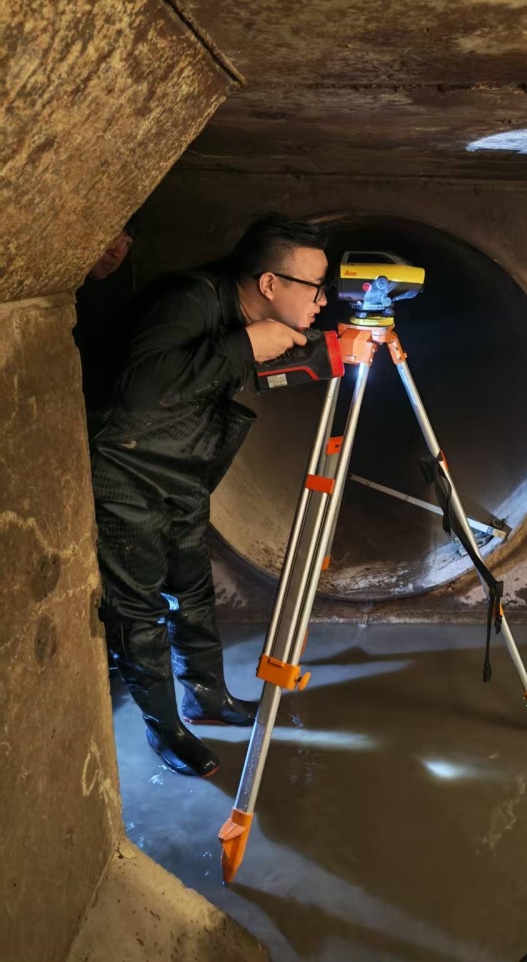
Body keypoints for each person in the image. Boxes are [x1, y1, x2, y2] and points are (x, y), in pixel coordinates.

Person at [91, 212, 329, 777]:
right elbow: (143, 392)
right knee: (138, 610)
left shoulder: (247, 313)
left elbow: (278, 356)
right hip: (125, 468)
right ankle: (165, 730)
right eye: (316, 287)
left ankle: (207, 698)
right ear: (271, 285)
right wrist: (246, 344)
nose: (322, 299)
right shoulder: (187, 299)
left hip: (181, 467)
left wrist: (335, 349)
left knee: (193, 590)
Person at [74, 216, 139, 419]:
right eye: (112, 237)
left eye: (126, 244)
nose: (116, 253)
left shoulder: (120, 287)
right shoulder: (67, 287)